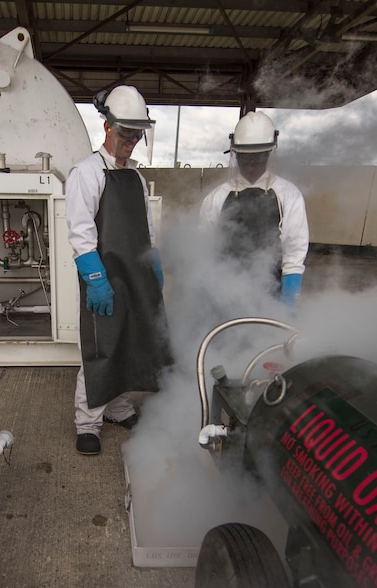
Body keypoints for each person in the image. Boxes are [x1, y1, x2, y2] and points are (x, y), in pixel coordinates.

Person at [66, 85, 173, 456]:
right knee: (100, 349)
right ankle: (88, 422)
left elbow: (147, 227)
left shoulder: (137, 178)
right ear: (108, 127)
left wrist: (154, 265)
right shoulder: (86, 173)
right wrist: (96, 280)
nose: (132, 140)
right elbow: (81, 234)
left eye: (137, 133)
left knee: (128, 342)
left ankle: (119, 408)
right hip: (104, 278)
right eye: (126, 132)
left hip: (134, 276)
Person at [199, 110, 309, 306]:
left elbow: (294, 254)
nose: (250, 164)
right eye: (245, 157)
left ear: (269, 153)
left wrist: (290, 301)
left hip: (269, 298)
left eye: (257, 157)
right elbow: (203, 249)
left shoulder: (289, 195)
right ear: (235, 154)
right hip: (223, 297)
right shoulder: (216, 197)